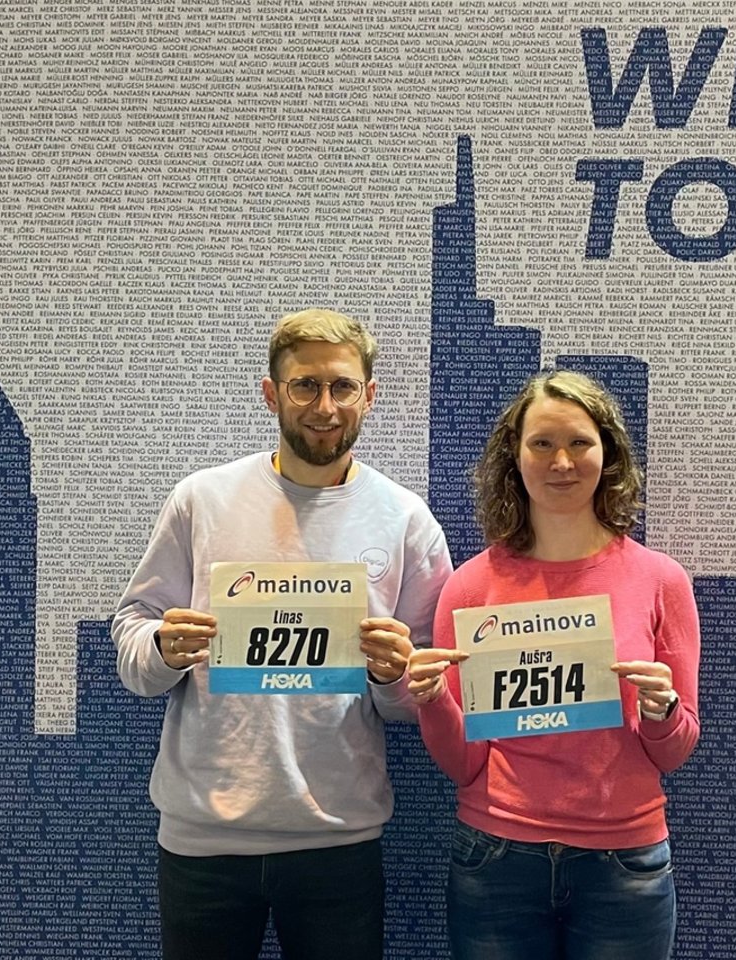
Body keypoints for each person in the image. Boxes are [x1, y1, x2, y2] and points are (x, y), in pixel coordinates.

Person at [113, 307, 452, 960]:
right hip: (204, 837)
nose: (325, 407)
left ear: (369, 395)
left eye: (342, 387)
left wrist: (394, 674)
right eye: (305, 386)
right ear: (272, 394)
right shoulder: (201, 499)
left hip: (338, 838)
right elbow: (132, 634)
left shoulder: (406, 520)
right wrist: (160, 649)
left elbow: (425, 694)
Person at [407, 369, 701, 960]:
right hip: (496, 857)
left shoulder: (660, 580)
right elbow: (463, 765)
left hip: (624, 860)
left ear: (607, 454)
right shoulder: (471, 587)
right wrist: (433, 699)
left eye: (579, 442)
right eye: (542, 443)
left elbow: (674, 752)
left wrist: (663, 711)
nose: (561, 462)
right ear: (514, 457)